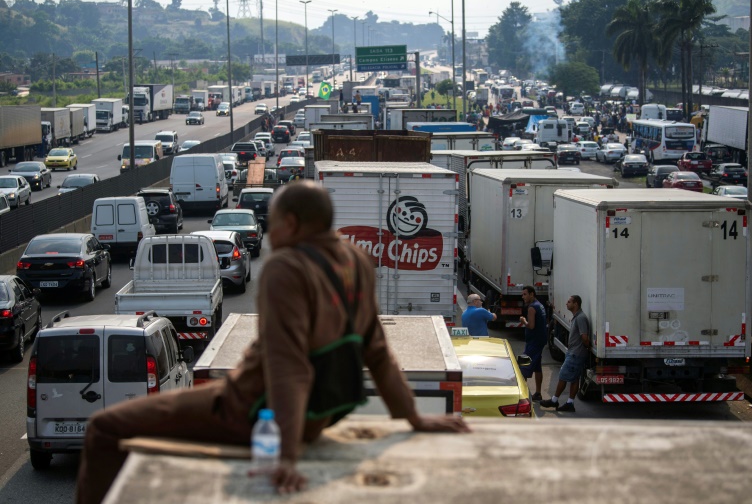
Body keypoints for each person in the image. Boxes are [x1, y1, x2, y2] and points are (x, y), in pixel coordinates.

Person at [75, 182, 469, 504]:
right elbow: (378, 354)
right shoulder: (355, 262)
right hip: (320, 416)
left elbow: (289, 366)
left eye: (274, 223)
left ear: (293, 224)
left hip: (247, 412)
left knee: (105, 428)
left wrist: (285, 457)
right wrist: (414, 418)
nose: (268, 233)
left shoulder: (286, 267)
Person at [540, 295, 590, 413]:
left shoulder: (581, 318)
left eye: (569, 302)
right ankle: (570, 403)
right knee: (574, 379)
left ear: (576, 304)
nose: (566, 303)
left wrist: (585, 347)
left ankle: (554, 400)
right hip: (574, 353)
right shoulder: (576, 317)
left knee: (563, 376)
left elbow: (584, 337)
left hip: (575, 354)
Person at [518, 286, 547, 401]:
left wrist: (523, 321)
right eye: (523, 294)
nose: (523, 297)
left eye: (525, 294)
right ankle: (538, 393)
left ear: (532, 294)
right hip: (540, 340)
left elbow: (531, 326)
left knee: (523, 366)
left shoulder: (532, 307)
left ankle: (522, 394)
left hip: (534, 342)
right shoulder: (540, 305)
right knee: (537, 367)